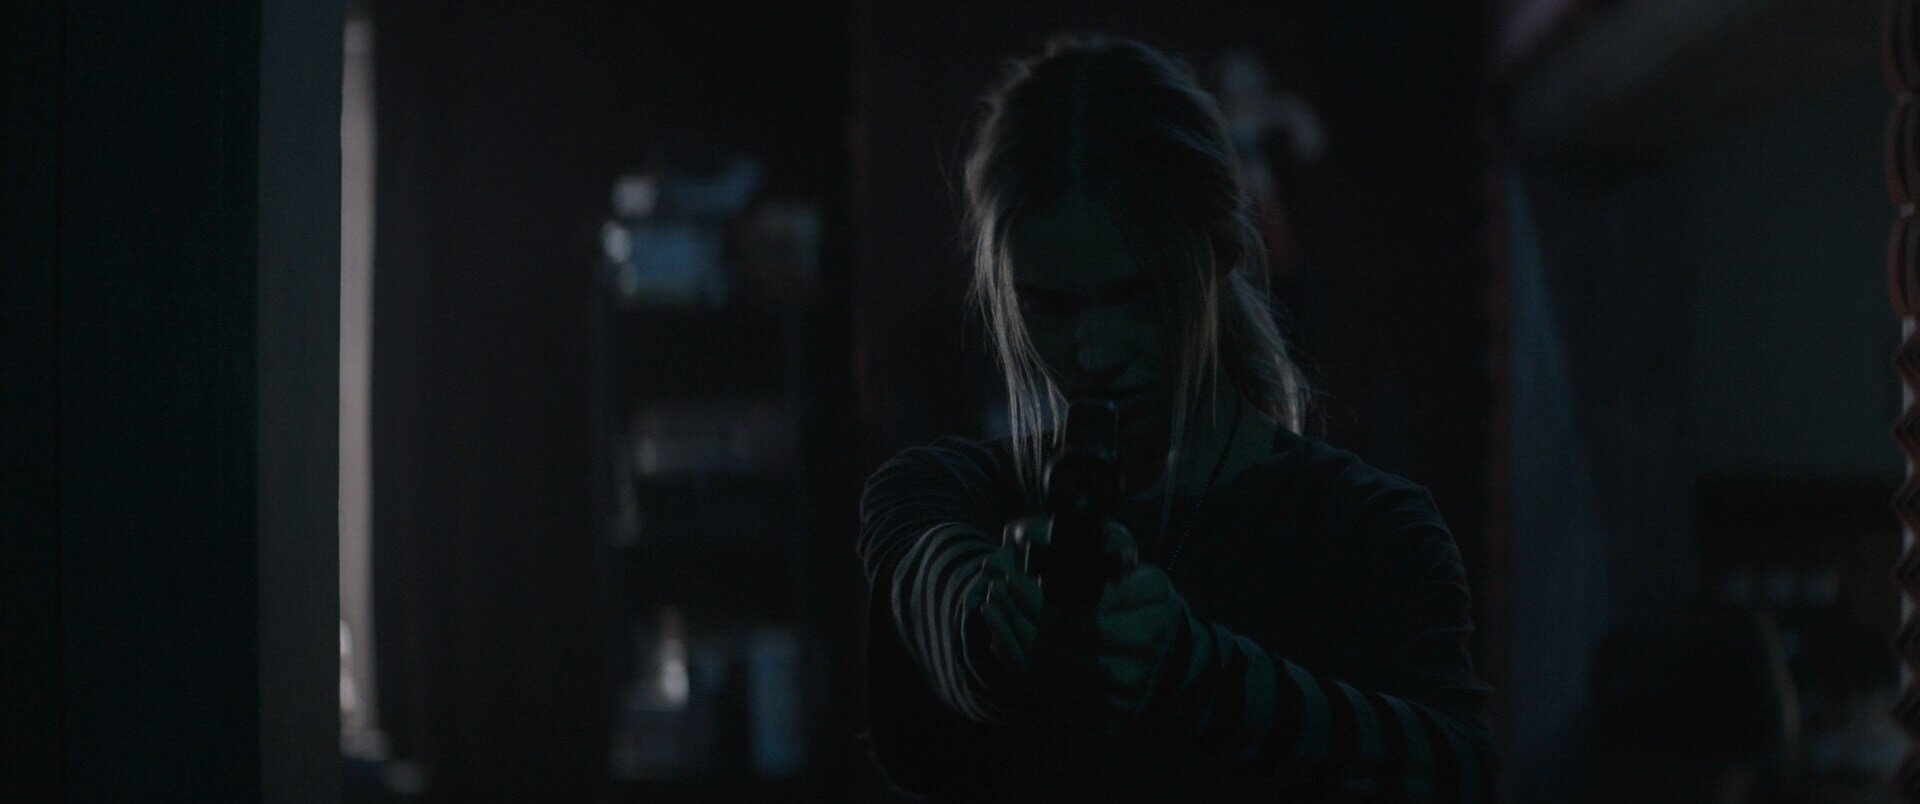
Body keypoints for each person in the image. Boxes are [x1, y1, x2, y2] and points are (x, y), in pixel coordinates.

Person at [856, 33, 1499, 801]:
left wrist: (1202, 677)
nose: (1094, 351)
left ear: (1218, 253)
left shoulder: (1371, 532)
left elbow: (1455, 772)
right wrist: (996, 624)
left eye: (1135, 295)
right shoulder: (945, 493)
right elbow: (925, 574)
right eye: (1050, 307)